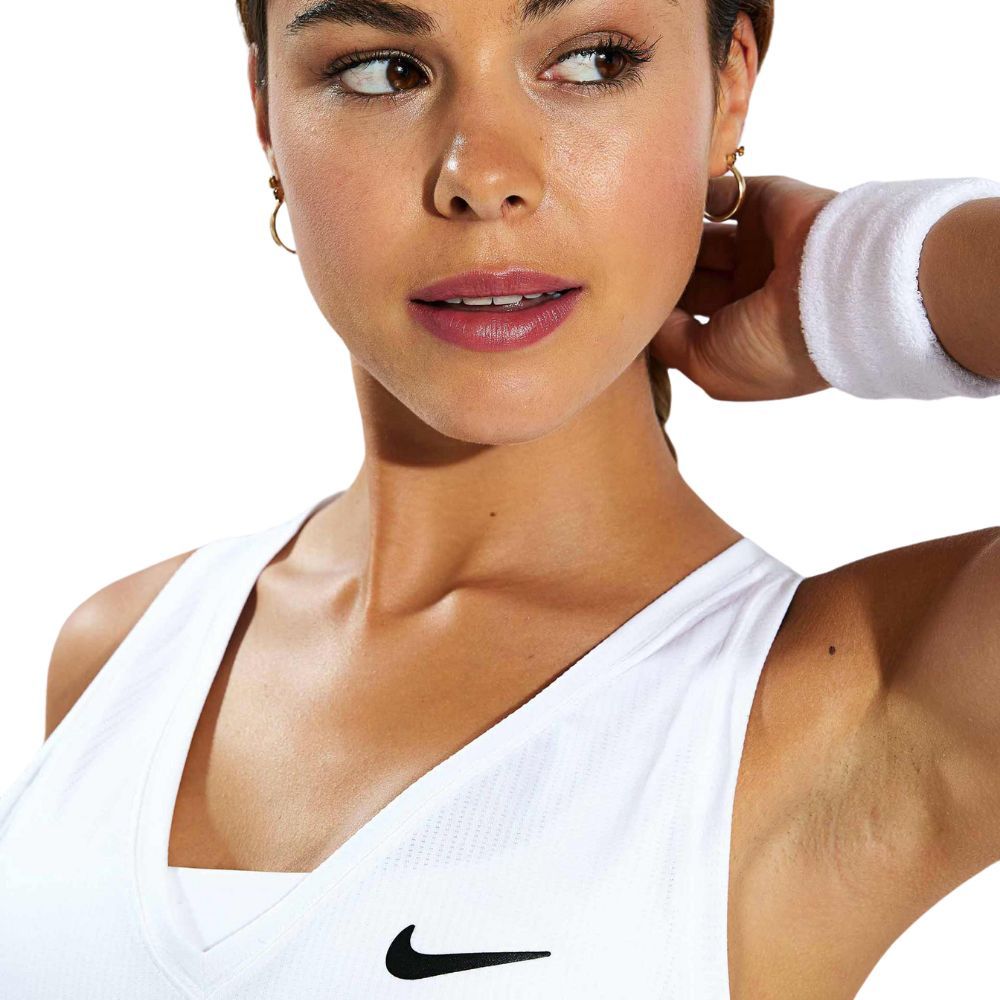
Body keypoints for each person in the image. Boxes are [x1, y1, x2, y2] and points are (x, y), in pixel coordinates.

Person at [1, 0, 998, 996]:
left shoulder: (866, 701)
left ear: (728, 85)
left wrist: (867, 276)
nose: (480, 178)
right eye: (381, 72)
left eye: (592, 62)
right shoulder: (124, 653)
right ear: (266, 110)